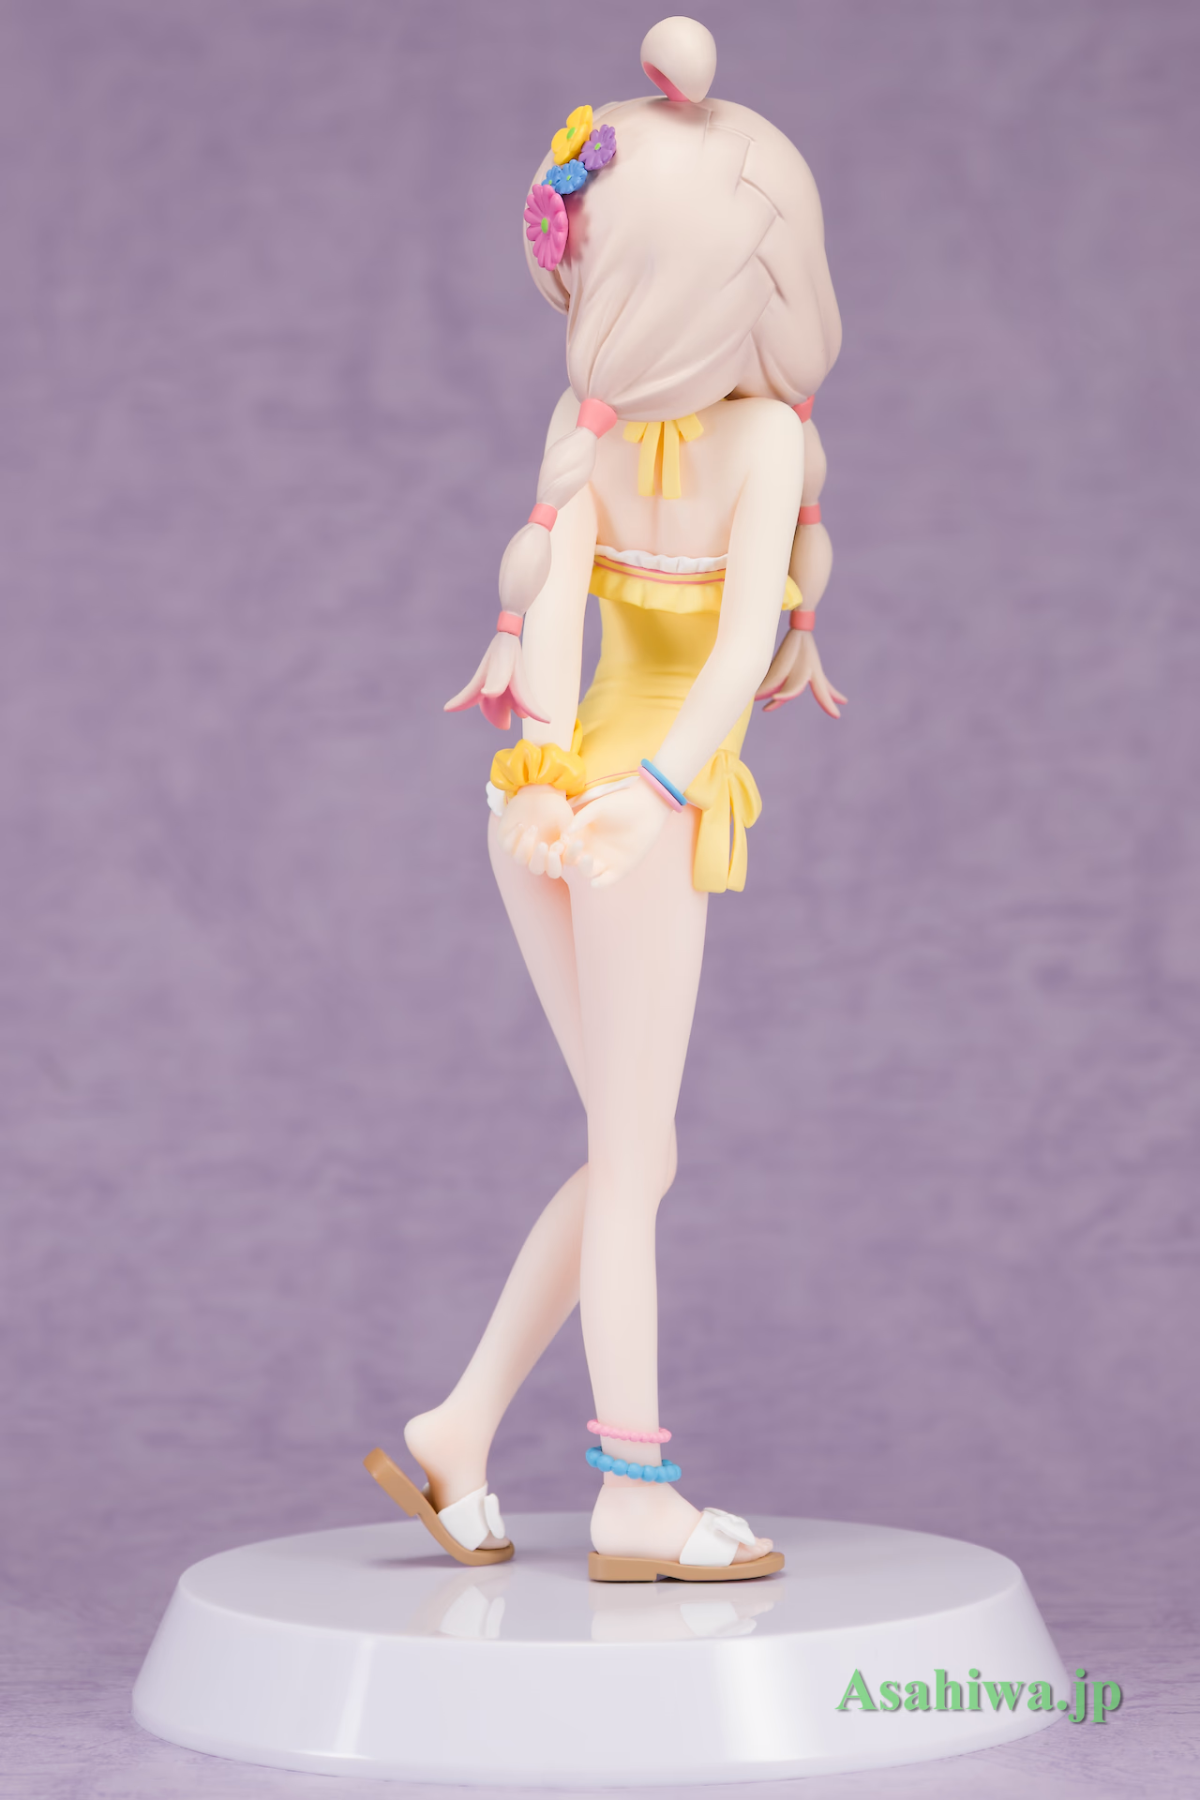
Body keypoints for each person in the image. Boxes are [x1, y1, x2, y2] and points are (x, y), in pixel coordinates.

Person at [366, 16, 843, 1581]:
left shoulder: (597, 433)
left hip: (544, 803)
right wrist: (639, 795)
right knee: (635, 1164)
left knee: (632, 1147)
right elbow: (728, 661)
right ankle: (634, 1494)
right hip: (630, 811)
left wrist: (551, 784)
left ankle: (454, 1428)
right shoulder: (758, 442)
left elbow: (561, 638)